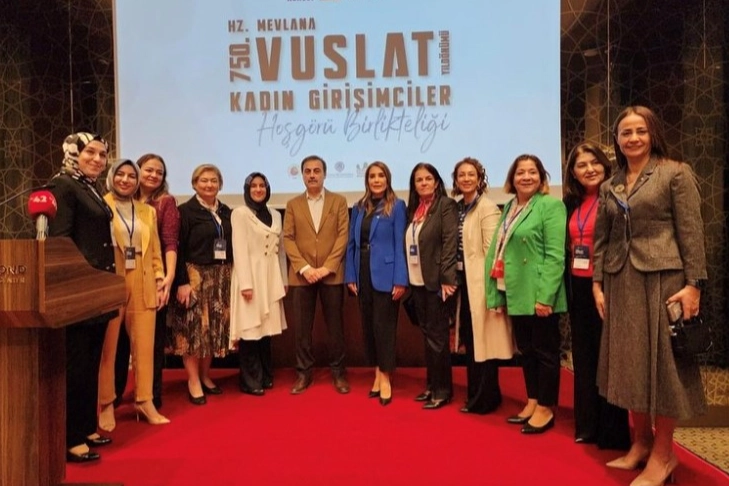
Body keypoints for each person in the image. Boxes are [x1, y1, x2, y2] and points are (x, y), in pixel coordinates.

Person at [593, 106, 707, 486]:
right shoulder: (611, 185)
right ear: (617, 139)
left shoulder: (675, 173)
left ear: (653, 133)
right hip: (620, 280)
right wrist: (597, 283)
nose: (633, 138)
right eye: (625, 132)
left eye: (640, 131)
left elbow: (691, 232)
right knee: (631, 365)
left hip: (664, 280)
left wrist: (694, 284)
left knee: (664, 368)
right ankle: (640, 443)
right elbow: (602, 239)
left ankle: (663, 455)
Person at [485, 154, 567, 434]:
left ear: (542, 177)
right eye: (520, 172)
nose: (526, 177)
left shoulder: (551, 206)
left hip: (540, 293)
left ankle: (546, 406)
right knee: (527, 351)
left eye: (533, 172)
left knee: (545, 352)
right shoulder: (510, 207)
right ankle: (533, 400)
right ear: (512, 178)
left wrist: (545, 297)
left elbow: (555, 256)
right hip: (515, 290)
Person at [49, 132, 116, 462]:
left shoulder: (88, 186)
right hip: (79, 289)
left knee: (90, 363)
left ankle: (87, 426)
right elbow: (60, 241)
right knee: (76, 365)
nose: (97, 159)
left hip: (97, 289)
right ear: (72, 151)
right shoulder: (62, 185)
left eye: (102, 154)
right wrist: (81, 279)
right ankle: (71, 438)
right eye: (90, 152)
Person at [563, 143, 631, 449]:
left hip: (608, 285)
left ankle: (612, 431)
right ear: (573, 172)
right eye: (581, 165)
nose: (589, 169)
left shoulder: (617, 197)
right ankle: (588, 425)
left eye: (594, 163)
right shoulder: (571, 203)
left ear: (605, 165)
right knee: (585, 356)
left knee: (609, 358)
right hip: (579, 285)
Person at [97, 159, 169, 429]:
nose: (126, 180)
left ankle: (144, 400)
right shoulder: (100, 205)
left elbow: (155, 249)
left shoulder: (147, 211)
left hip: (143, 277)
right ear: (111, 177)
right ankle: (106, 404)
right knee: (108, 346)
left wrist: (159, 279)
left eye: (131, 176)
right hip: (111, 277)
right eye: (121, 174)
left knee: (145, 346)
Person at [112, 154, 179, 411]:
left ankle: (151, 396)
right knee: (117, 342)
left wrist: (168, 278)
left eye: (159, 172)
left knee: (151, 343)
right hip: (118, 278)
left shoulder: (164, 203)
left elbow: (169, 242)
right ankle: (114, 395)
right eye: (149, 170)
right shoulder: (115, 202)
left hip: (152, 278)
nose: (153, 175)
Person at [450, 157, 514, 415]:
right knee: (472, 340)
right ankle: (475, 393)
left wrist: (492, 291)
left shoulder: (486, 207)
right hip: (465, 283)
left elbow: (492, 252)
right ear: (456, 180)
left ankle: (485, 398)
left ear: (479, 179)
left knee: (485, 342)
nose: (466, 179)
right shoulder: (459, 208)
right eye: (461, 175)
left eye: (471, 174)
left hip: (482, 285)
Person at [283, 155, 350, 395]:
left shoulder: (339, 201)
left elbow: (343, 235)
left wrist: (326, 267)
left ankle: (339, 373)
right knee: (302, 329)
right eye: (308, 171)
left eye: (317, 171)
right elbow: (288, 238)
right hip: (302, 276)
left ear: (324, 174)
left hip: (331, 274)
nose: (312, 175)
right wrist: (305, 268)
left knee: (335, 328)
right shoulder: (293, 204)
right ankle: (304, 374)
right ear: (302, 175)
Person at [167, 164, 232, 405]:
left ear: (220, 184)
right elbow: (178, 248)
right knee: (193, 331)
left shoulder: (225, 211)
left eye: (213, 180)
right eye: (203, 180)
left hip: (220, 277)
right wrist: (182, 282)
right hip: (194, 277)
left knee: (212, 330)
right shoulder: (185, 211)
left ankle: (205, 376)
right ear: (194, 184)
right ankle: (193, 380)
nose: (209, 184)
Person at [345, 162, 408, 406]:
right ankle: (377, 372)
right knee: (369, 327)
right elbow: (352, 244)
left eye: (381, 175)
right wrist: (350, 275)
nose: (376, 180)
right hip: (362, 272)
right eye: (372, 176)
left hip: (387, 274)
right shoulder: (358, 207)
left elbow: (400, 244)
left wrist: (400, 279)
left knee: (384, 328)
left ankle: (385, 377)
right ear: (367, 181)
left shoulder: (397, 206)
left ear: (387, 179)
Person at [405, 162, 458, 410]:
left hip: (437, 282)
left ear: (436, 182)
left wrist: (447, 278)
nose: (424, 183)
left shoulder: (445, 206)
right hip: (417, 281)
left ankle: (443, 390)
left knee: (438, 338)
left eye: (428, 178)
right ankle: (432, 384)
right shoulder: (415, 209)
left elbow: (449, 242)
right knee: (427, 336)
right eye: (419, 180)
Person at [230, 172, 288, 396]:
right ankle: (250, 379)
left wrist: (283, 279)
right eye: (253, 186)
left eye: (262, 185)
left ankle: (265, 375)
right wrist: (246, 283)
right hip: (250, 276)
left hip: (271, 276)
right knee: (250, 328)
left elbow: (280, 250)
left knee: (266, 328)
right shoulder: (240, 213)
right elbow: (239, 249)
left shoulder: (275, 214)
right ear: (247, 189)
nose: (258, 189)